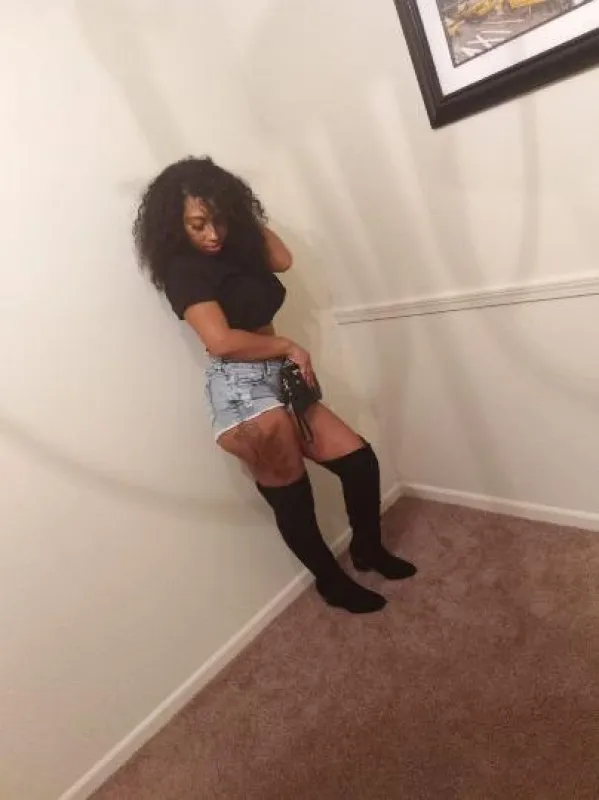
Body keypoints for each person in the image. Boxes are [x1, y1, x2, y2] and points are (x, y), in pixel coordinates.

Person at [134, 156, 416, 614]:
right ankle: (331, 583)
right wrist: (287, 345)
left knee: (359, 461)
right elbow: (220, 341)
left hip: (277, 374)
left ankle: (367, 550)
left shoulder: (236, 249)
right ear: (174, 226)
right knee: (294, 496)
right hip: (241, 388)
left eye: (220, 219)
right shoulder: (184, 270)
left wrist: (239, 213)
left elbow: (282, 260)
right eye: (198, 224)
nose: (212, 234)